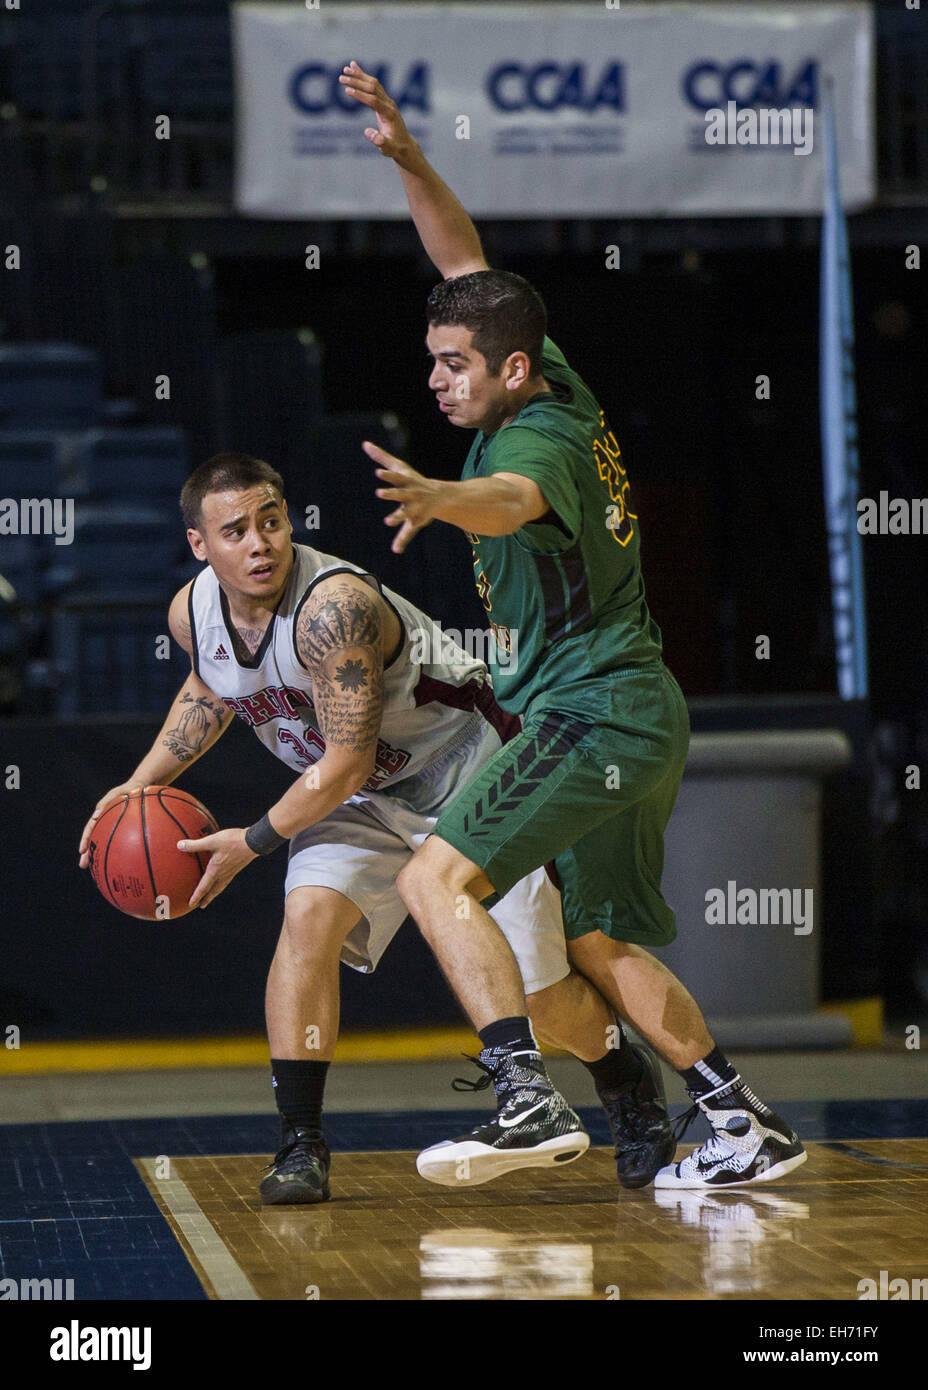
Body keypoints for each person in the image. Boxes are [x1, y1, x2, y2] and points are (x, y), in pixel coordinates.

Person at [342, 59, 806, 1189]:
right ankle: (742, 1121)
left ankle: (523, 1100)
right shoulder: (550, 379)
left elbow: (513, 502)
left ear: (503, 369)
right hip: (639, 714)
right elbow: (467, 265)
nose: (437, 380)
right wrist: (410, 160)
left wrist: (443, 498)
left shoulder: (534, 445)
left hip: (592, 716)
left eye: (453, 367)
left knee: (430, 881)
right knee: (597, 940)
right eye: (431, 362)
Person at [78, 453, 671, 1203]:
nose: (260, 542)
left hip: (466, 775)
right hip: (361, 799)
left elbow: (346, 764)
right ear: (201, 545)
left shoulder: (335, 609)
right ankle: (301, 1142)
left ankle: (622, 1078)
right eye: (236, 531)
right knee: (306, 919)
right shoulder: (190, 612)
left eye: (272, 519)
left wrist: (252, 842)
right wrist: (143, 781)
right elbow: (213, 686)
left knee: (544, 991)